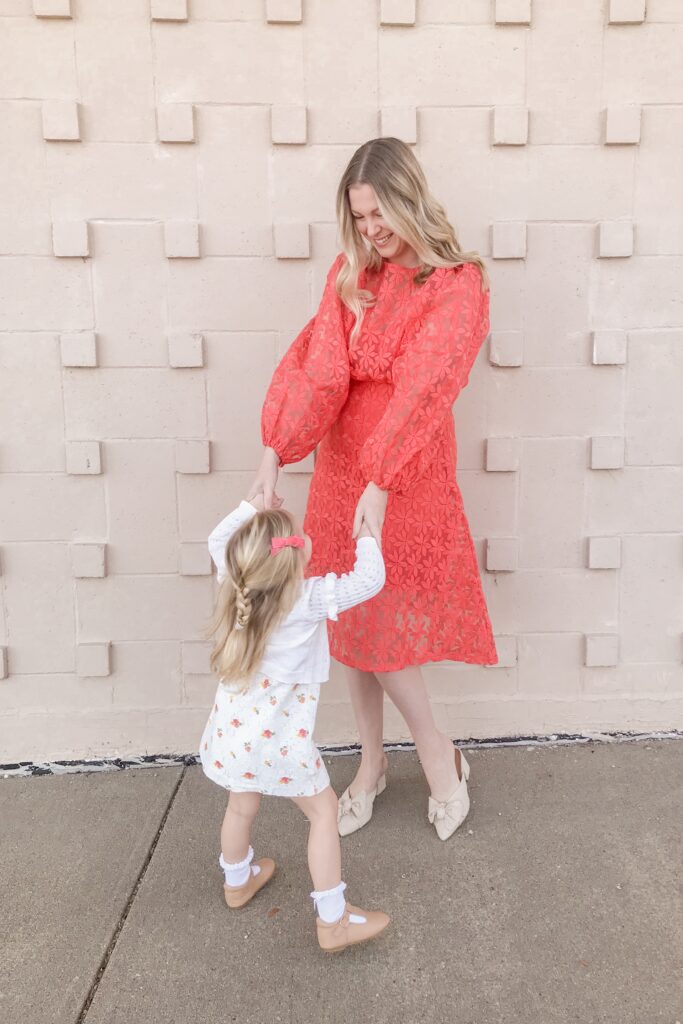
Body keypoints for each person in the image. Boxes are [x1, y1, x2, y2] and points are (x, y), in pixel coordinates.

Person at [249, 137, 497, 842]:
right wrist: (274, 450)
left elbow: (424, 390)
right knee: (347, 624)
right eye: (357, 218)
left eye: (378, 214)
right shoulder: (353, 273)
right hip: (339, 472)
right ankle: (369, 765)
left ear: (407, 197)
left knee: (385, 631)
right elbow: (319, 368)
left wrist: (382, 482)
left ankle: (439, 762)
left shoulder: (455, 284)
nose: (370, 230)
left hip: (406, 473)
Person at [199, 494, 390, 953]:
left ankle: (237, 881)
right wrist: (368, 531)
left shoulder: (234, 582)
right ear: (295, 554)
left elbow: (217, 540)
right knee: (323, 813)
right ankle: (333, 921)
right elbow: (371, 578)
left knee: (240, 808)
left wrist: (251, 503)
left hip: (233, 741)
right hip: (283, 750)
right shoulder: (308, 599)